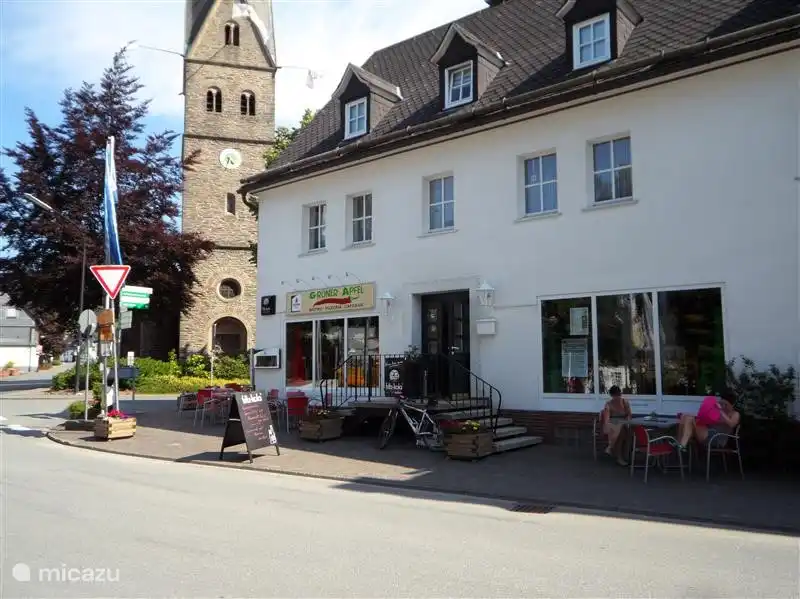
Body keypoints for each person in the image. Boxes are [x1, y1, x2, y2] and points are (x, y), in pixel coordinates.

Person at [676, 390, 740, 450]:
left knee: (689, 418)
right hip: (706, 433)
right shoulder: (717, 411)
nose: (723, 406)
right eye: (721, 403)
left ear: (732, 405)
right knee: (686, 417)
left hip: (716, 437)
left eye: (726, 405)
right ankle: (681, 445)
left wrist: (720, 411)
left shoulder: (735, 414)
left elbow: (732, 424)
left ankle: (680, 444)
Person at [600, 385, 632, 466]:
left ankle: (613, 449)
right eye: (615, 395)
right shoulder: (608, 404)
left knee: (624, 431)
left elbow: (629, 415)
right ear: (612, 395)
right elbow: (607, 419)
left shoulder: (625, 402)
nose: (617, 397)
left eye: (618, 395)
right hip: (613, 424)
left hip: (624, 423)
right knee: (620, 432)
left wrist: (627, 421)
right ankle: (620, 457)